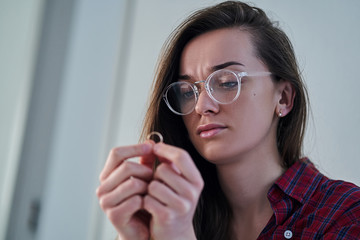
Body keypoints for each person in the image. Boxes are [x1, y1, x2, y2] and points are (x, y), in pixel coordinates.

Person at [96, 1, 360, 239]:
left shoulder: (345, 214)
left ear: (283, 99)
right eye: (188, 92)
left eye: (226, 82)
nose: (201, 106)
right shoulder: (171, 219)